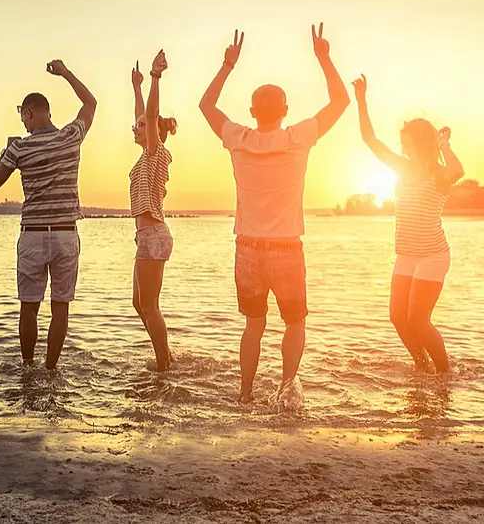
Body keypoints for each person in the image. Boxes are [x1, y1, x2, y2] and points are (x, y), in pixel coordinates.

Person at [198, 25, 350, 402]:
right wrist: (324, 58)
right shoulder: (298, 137)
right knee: (294, 322)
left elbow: (205, 106)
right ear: (285, 110)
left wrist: (227, 65)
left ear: (252, 111)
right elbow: (340, 102)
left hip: (247, 248)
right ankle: (286, 389)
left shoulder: (238, 139)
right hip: (285, 249)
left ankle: (245, 393)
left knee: (253, 325)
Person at [0, 59, 97, 369]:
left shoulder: (20, 147)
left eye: (23, 115)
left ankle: (28, 369)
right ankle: (51, 370)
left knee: (29, 309)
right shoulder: (71, 136)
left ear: (30, 113)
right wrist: (65, 73)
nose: (23, 122)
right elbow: (90, 103)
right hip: (65, 233)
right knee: (60, 308)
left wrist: (4, 154)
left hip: (33, 235)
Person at [352, 74, 464, 373]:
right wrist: (361, 101)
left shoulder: (439, 173)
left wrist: (444, 145)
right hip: (406, 254)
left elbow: (458, 169)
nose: (404, 149)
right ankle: (422, 367)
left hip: (432, 254)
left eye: (409, 144)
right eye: (403, 145)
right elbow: (370, 141)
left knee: (417, 320)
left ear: (422, 142)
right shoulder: (401, 168)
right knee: (397, 318)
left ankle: (444, 373)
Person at [129, 51, 178, 371]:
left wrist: (154, 78)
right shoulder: (147, 155)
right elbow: (144, 115)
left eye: (142, 126)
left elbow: (150, 112)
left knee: (149, 305)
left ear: (153, 134)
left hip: (153, 235)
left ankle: (164, 363)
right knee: (139, 304)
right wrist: (136, 87)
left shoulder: (155, 151)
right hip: (147, 235)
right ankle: (164, 354)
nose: (134, 128)